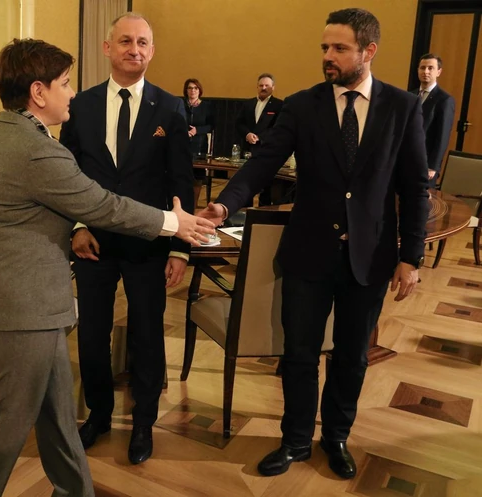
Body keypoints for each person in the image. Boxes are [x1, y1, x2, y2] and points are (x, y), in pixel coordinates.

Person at [0, 38, 215, 497]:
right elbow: (103, 205)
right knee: (8, 425)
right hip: (21, 312)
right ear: (38, 91)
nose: (72, 92)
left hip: (22, 305)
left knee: (58, 417)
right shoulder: (36, 150)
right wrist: (174, 223)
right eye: (65, 83)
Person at [203, 8, 429, 479]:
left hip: (370, 256)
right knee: (299, 353)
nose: (328, 56)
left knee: (352, 355)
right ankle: (296, 440)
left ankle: (337, 437)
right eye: (325, 47)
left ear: (369, 51)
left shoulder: (402, 107)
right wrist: (225, 204)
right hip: (308, 252)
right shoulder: (303, 105)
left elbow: (414, 188)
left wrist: (411, 257)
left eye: (339, 48)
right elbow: (262, 162)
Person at [60, 13, 194, 465]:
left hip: (148, 244)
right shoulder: (80, 105)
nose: (134, 49)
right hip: (92, 243)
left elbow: (181, 180)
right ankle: (98, 415)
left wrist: (179, 247)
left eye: (142, 42)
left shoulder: (171, 107)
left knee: (147, 334)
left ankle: (143, 423)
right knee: (92, 334)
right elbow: (66, 174)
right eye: (125, 41)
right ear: (107, 48)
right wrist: (76, 227)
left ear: (151, 50)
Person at [412, 53, 455, 187]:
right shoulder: (410, 95)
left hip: (426, 163)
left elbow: (442, 136)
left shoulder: (444, 100)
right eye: (422, 68)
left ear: (439, 72)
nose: (426, 72)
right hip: (406, 158)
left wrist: (433, 166)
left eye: (430, 68)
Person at [183, 78, 216, 206]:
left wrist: (197, 130)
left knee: (197, 177)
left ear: (199, 90)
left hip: (199, 145)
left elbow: (211, 126)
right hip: (182, 144)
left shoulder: (207, 106)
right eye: (190, 88)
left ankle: (194, 204)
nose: (193, 90)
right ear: (186, 90)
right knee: (182, 174)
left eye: (195, 88)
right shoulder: (180, 104)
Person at [234, 73, 284, 154]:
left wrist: (259, 137)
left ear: (273, 87)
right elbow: (239, 123)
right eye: (261, 85)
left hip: (268, 148)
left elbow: (278, 127)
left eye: (267, 85)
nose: (263, 88)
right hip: (247, 148)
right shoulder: (248, 104)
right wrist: (247, 134)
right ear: (257, 87)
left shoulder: (279, 105)